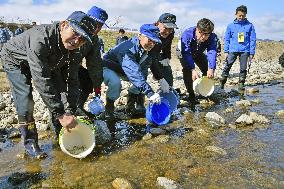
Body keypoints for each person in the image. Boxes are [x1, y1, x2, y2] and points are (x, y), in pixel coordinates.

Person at [0, 11, 97, 158]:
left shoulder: (74, 50)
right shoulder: (41, 38)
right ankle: (30, 143)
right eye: (75, 33)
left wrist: (69, 110)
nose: (77, 41)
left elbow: (71, 81)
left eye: (82, 39)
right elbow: (41, 78)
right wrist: (60, 113)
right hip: (15, 60)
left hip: (49, 61)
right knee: (25, 100)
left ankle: (60, 132)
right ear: (64, 25)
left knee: (60, 95)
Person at [102, 24, 162, 118]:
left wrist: (142, 97)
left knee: (140, 81)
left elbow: (143, 71)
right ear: (139, 35)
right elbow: (133, 73)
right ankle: (108, 110)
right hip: (109, 67)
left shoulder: (147, 50)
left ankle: (130, 107)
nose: (152, 44)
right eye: (149, 40)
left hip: (125, 70)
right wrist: (150, 93)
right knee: (115, 82)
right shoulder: (127, 48)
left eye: (154, 42)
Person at [125, 13, 178, 116]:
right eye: (166, 28)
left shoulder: (170, 33)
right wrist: (159, 77)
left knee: (168, 74)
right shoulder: (150, 32)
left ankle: (165, 102)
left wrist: (167, 57)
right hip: (143, 55)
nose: (168, 31)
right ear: (158, 23)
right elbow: (151, 58)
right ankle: (132, 105)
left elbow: (167, 46)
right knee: (141, 77)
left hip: (157, 54)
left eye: (171, 29)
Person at [75, 6, 108, 118]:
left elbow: (95, 65)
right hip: (58, 67)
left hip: (75, 67)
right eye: (95, 23)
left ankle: (77, 107)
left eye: (100, 26)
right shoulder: (73, 30)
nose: (97, 28)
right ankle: (58, 114)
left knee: (87, 78)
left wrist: (97, 88)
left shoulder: (94, 40)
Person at [178, 18, 218, 106]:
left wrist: (211, 68)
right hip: (183, 52)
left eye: (206, 34)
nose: (203, 37)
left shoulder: (212, 37)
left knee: (206, 69)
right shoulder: (187, 34)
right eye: (201, 33)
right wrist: (192, 69)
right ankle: (191, 95)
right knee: (187, 70)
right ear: (197, 29)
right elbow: (186, 53)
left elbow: (212, 52)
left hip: (198, 52)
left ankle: (205, 92)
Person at [220, 5, 256, 90]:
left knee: (243, 68)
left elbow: (252, 40)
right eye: (239, 15)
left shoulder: (250, 26)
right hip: (232, 50)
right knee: (227, 66)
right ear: (236, 14)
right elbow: (227, 39)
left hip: (245, 50)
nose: (241, 17)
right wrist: (226, 51)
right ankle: (222, 82)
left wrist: (252, 52)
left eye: (243, 16)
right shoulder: (230, 26)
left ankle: (241, 84)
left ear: (245, 15)